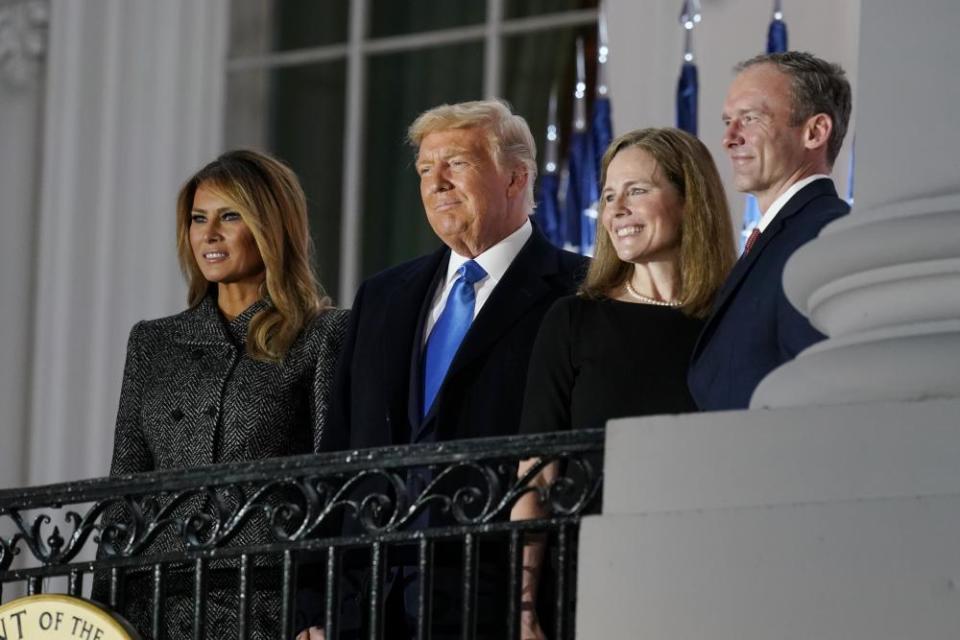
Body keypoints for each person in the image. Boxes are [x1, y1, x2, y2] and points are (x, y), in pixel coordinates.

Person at [298, 100, 586, 639]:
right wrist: (315, 605)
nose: (438, 182)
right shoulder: (382, 296)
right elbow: (335, 453)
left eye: (457, 163)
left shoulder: (578, 291)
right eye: (426, 170)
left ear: (516, 177)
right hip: (372, 605)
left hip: (499, 601)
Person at [97, 149, 348, 639]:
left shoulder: (323, 336)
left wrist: (321, 615)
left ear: (270, 226)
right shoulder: (152, 342)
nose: (207, 234)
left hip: (268, 608)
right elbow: (123, 489)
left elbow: (330, 488)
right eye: (197, 219)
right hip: (156, 610)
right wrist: (103, 618)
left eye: (229, 216)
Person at [512, 127, 736, 639]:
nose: (616, 209)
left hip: (709, 578)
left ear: (689, 199)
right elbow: (537, 474)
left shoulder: (732, 321)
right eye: (609, 195)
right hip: (590, 583)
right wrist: (524, 608)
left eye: (637, 190)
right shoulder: (572, 321)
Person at [688, 51, 853, 411]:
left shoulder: (823, 236)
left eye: (750, 119)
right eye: (728, 121)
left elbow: (822, 392)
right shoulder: (774, 240)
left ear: (814, 132)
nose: (729, 138)